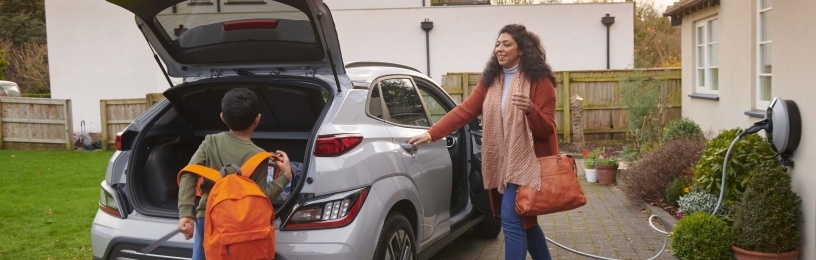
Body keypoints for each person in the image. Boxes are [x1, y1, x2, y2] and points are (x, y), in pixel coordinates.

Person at [408, 24, 558, 260]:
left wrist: (531, 111)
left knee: (511, 220)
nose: (499, 48)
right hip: (503, 163)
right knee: (525, 223)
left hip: (528, 165)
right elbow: (465, 111)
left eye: (506, 44)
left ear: (522, 49)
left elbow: (547, 130)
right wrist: (431, 134)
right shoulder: (492, 81)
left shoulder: (540, 82)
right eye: (497, 44)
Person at [177, 87, 292, 260]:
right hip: (245, 224)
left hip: (208, 216)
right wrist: (285, 176)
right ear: (257, 119)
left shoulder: (210, 142)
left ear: (222, 117)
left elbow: (189, 174)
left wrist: (186, 213)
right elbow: (262, 196)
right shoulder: (259, 156)